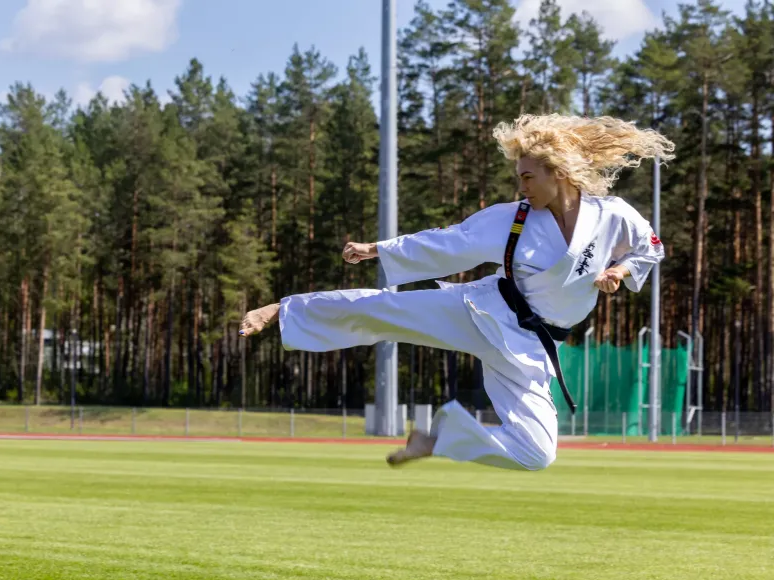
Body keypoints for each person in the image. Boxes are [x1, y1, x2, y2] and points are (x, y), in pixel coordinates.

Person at [239, 114, 674, 471]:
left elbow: (650, 248)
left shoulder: (613, 215)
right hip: (483, 313)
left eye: (527, 177)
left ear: (557, 173)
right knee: (386, 310)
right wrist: (378, 249)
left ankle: (437, 440)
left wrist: (620, 269)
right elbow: (449, 242)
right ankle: (283, 309)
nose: (521, 186)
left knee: (537, 454)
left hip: (531, 349)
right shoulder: (513, 217)